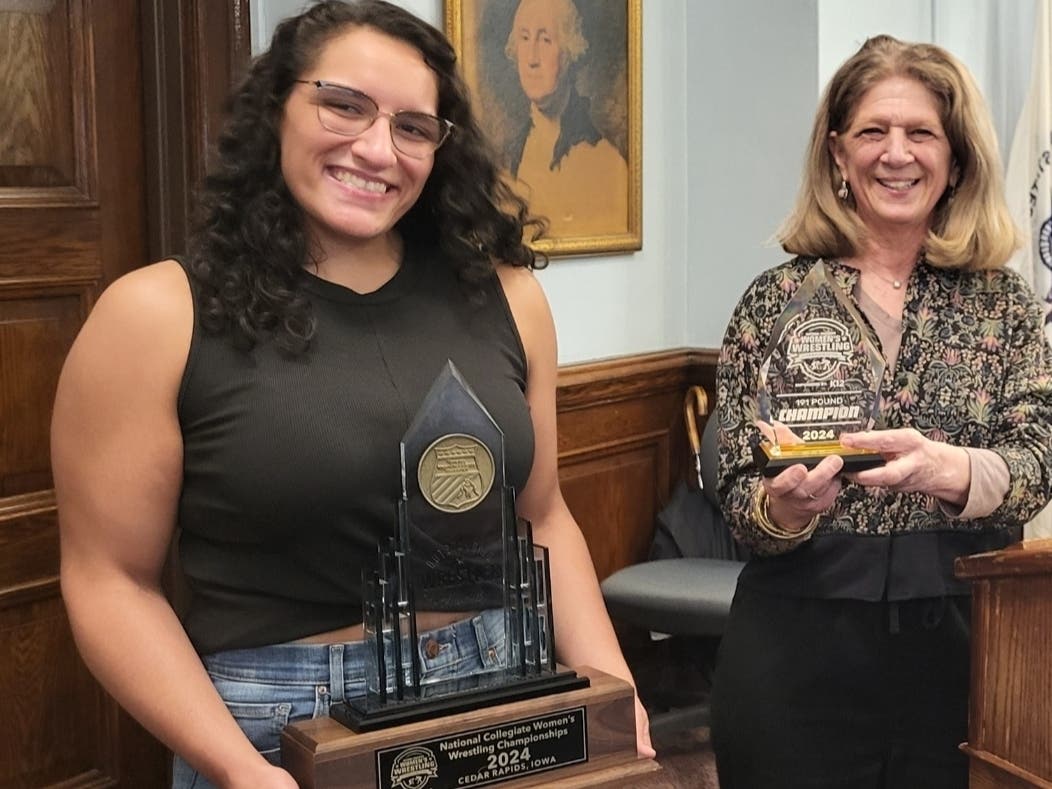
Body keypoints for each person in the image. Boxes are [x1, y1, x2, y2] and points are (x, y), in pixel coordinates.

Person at [50, 2, 653, 787]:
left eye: (412, 127)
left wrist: (615, 692)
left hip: (505, 696)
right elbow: (109, 580)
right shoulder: (156, 314)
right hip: (278, 728)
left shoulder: (505, 296)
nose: (377, 149)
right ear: (276, 109)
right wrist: (237, 769)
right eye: (344, 105)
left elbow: (543, 516)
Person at [711, 34, 1052, 789]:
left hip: (965, 648)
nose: (895, 154)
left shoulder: (1004, 305)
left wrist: (950, 467)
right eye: (872, 131)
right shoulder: (775, 302)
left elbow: (1038, 462)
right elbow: (735, 488)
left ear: (955, 158)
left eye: (920, 133)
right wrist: (783, 508)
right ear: (837, 154)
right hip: (797, 642)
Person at [503, 0, 628, 237]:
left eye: (545, 40)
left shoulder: (604, 161)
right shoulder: (506, 158)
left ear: (571, 51)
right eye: (525, 38)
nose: (532, 58)